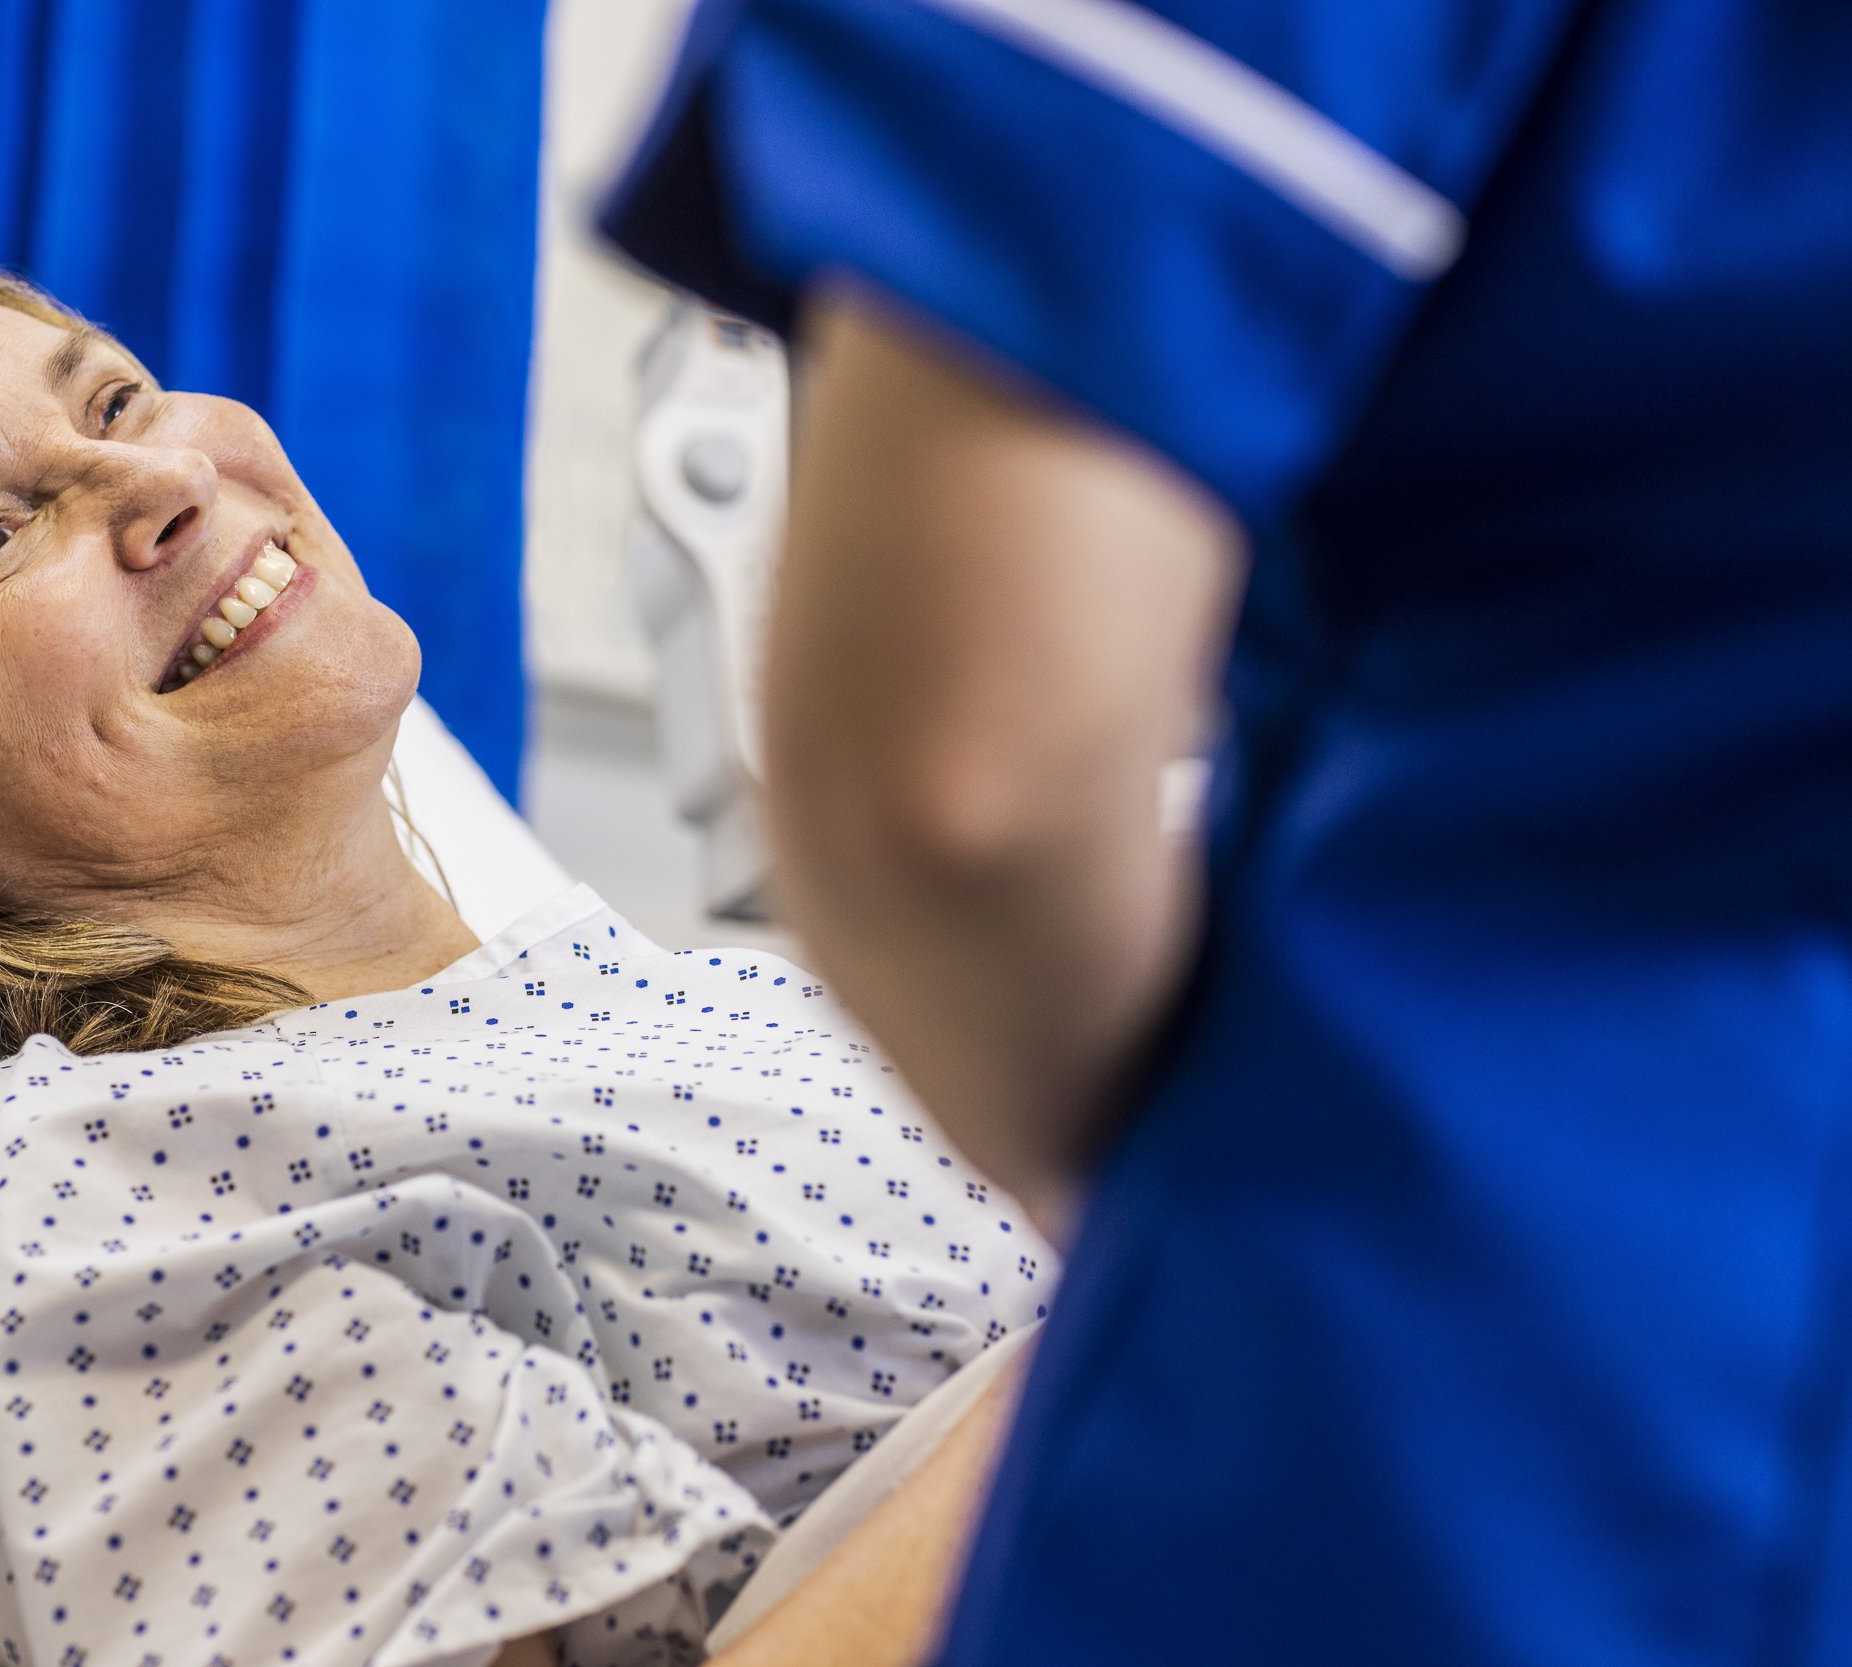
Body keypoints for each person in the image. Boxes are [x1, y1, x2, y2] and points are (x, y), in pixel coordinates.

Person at [0, 245, 1057, 1667]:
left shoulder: (674, 997)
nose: (159, 479)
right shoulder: (110, 1215)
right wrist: (1185, 1294)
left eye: (116, 395)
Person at [600, 0, 1852, 1662]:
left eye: (126, 399)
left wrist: (1202, 1196)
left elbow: (958, 783)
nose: (167, 475)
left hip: (1507, 1363)